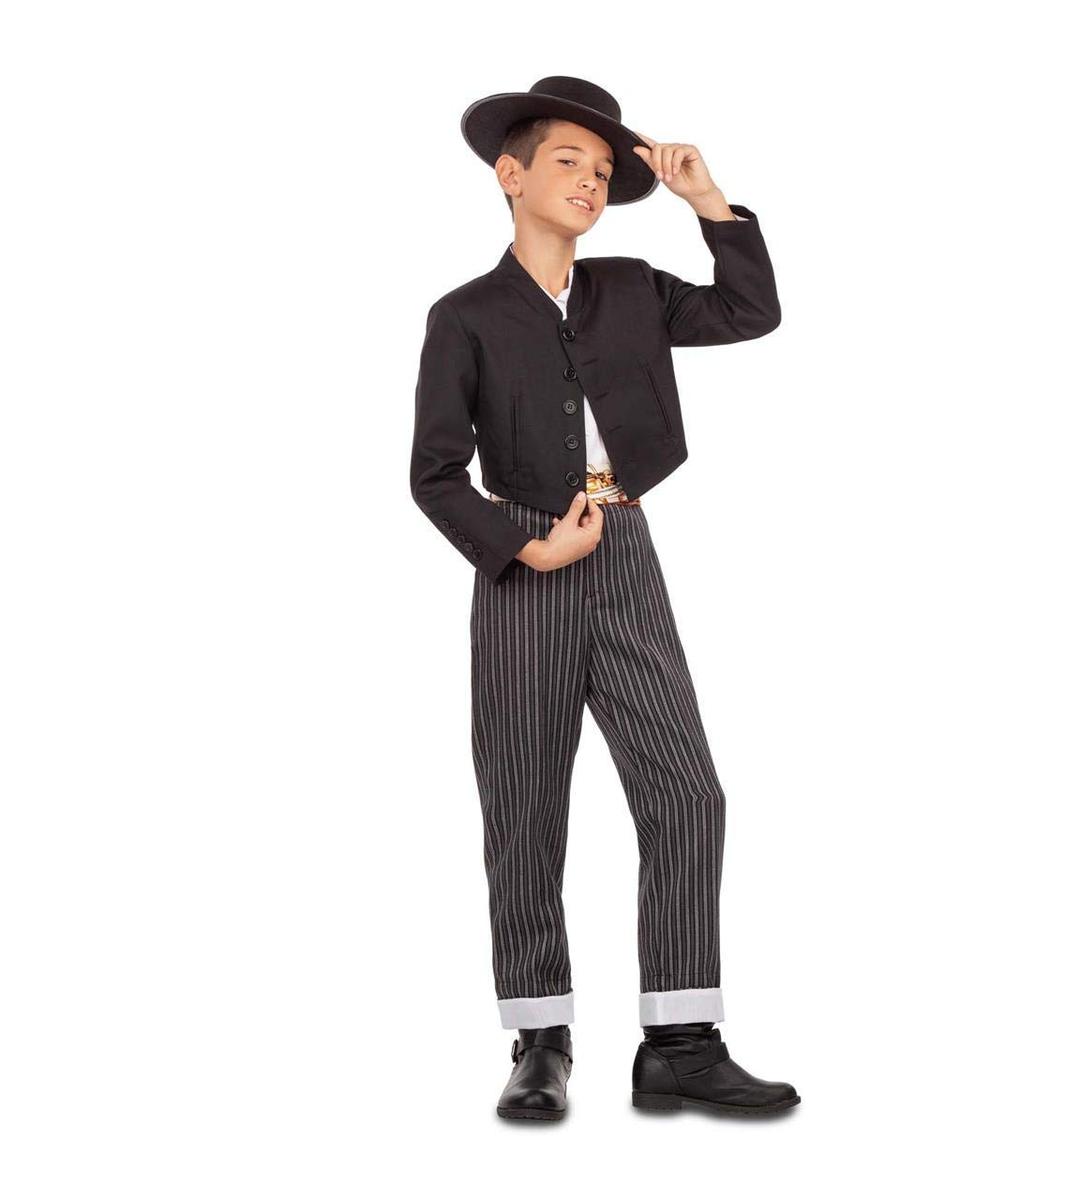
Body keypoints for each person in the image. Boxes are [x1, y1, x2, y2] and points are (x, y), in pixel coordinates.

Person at [411, 76, 800, 1120]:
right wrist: (524, 548)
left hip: (624, 546)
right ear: (511, 175)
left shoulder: (630, 289)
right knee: (525, 803)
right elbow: (434, 474)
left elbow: (750, 311)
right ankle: (540, 1039)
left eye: (601, 170)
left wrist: (709, 202)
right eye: (567, 162)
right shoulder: (465, 316)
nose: (589, 181)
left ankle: (680, 1039)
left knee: (687, 793)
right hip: (525, 559)